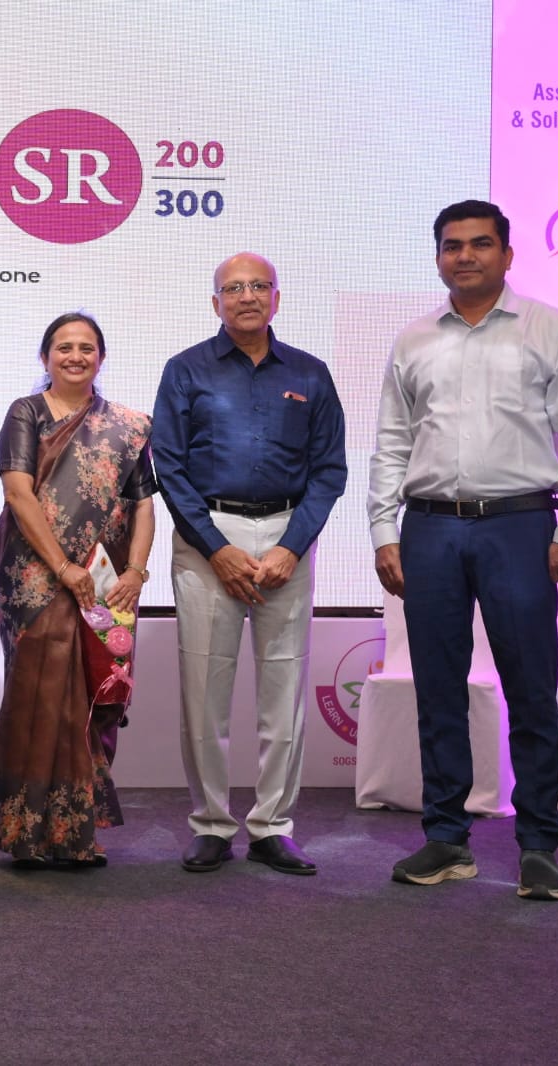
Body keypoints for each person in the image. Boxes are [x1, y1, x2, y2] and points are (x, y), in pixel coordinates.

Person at [368, 200, 558, 901]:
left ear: (507, 254)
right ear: (438, 257)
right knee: (438, 690)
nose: (466, 256)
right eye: (453, 246)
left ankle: (538, 845)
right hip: (430, 528)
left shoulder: (548, 328)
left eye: (480, 244)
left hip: (520, 526)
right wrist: (384, 530)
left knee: (530, 689)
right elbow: (391, 443)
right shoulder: (415, 339)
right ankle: (447, 838)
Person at [151, 253, 346, 876]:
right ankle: (211, 823)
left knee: (283, 694)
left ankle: (272, 827)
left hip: (288, 538)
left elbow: (330, 470)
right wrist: (217, 548)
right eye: (233, 288)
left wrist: (293, 545)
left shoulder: (310, 373)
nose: (246, 296)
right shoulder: (186, 370)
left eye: (258, 286)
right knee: (203, 693)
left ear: (276, 298)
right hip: (209, 539)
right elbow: (168, 467)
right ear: (216, 303)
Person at [0, 312, 156, 868]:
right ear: (45, 357)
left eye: (87, 348)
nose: (75, 357)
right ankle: (28, 832)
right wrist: (62, 566)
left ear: (101, 358)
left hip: (104, 582)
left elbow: (142, 505)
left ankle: (76, 831)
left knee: (92, 699)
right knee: (37, 698)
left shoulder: (128, 426)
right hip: (35, 579)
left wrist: (136, 572)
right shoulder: (27, 413)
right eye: (64, 347)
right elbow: (18, 493)